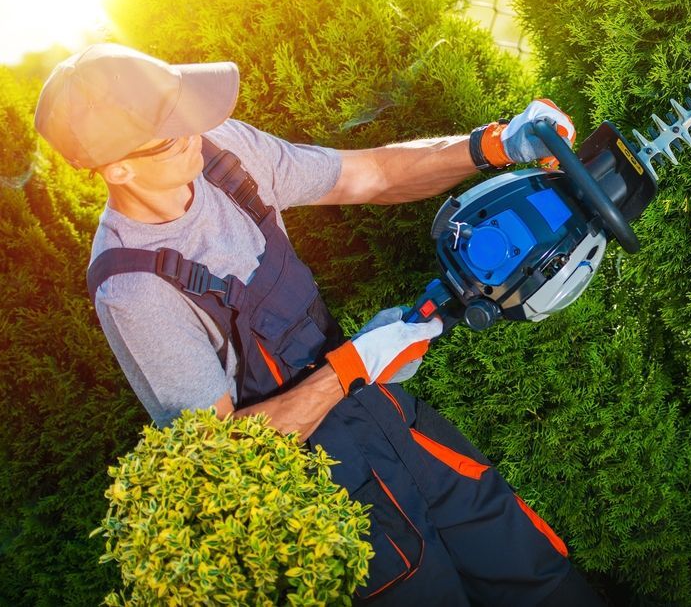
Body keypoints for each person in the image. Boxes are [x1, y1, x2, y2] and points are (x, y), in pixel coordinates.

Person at [34, 43, 603, 605]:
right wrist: (353, 366)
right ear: (118, 167)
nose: (195, 130)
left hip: (384, 418)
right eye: (170, 129)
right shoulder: (134, 287)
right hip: (326, 495)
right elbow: (227, 455)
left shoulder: (222, 154)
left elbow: (370, 175)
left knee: (537, 572)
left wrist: (493, 145)